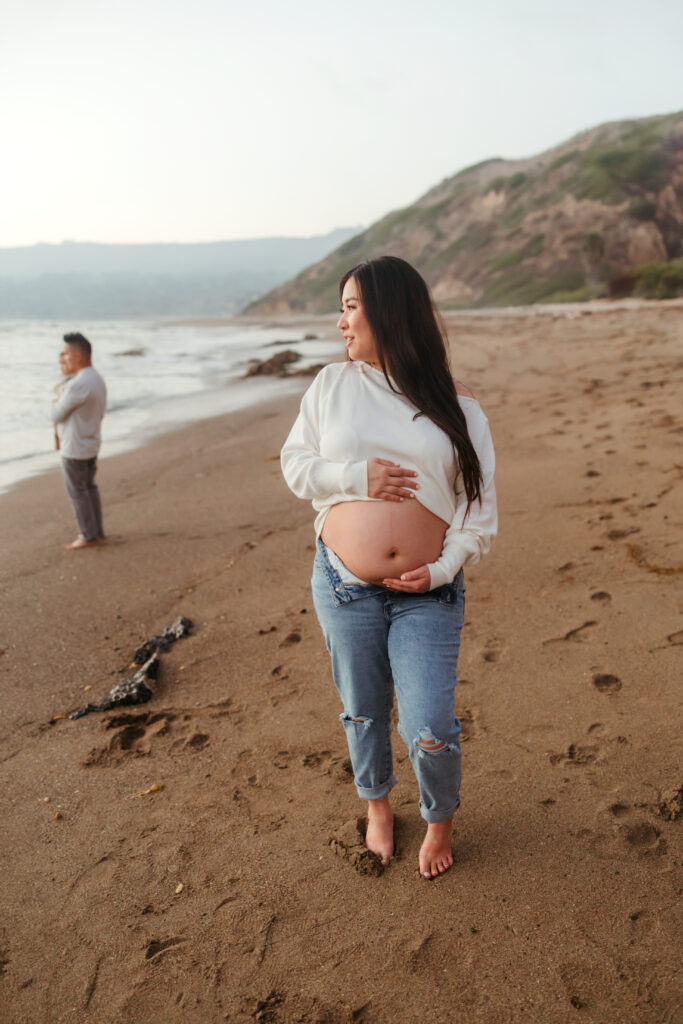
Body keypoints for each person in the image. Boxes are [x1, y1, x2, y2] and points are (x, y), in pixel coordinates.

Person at [281, 256, 497, 880]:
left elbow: (478, 516)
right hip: (344, 586)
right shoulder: (330, 386)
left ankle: (439, 819)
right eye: (342, 307)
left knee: (430, 722)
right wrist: (358, 477)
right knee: (364, 708)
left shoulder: (460, 409)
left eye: (351, 307)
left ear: (389, 311)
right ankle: (377, 805)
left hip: (429, 592)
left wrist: (442, 569)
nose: (341, 321)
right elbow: (297, 467)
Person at [51, 332, 107, 550]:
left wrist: (57, 391)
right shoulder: (96, 378)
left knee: (78, 491)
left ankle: (88, 535)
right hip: (90, 441)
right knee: (89, 487)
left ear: (78, 356)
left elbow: (56, 414)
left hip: (75, 447)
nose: (63, 358)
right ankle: (96, 531)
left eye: (66, 354)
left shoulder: (78, 384)